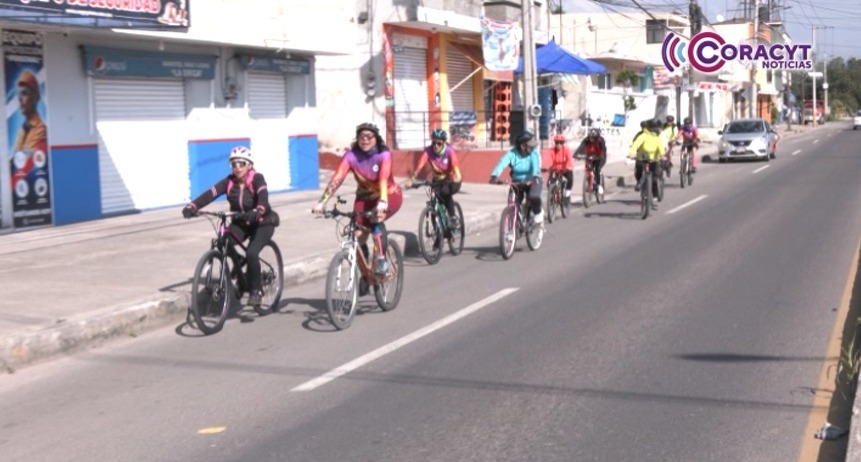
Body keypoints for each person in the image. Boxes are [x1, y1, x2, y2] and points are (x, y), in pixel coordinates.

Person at [181, 146, 280, 305]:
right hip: (241, 222)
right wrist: (192, 206)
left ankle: (256, 290)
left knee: (252, 253)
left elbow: (263, 197)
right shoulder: (228, 182)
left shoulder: (257, 179)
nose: (237, 167)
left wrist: (258, 210)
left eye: (241, 163)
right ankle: (239, 262)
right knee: (223, 242)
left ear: (249, 165)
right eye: (234, 164)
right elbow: (210, 194)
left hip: (262, 222)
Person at [312, 122, 403, 275]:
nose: (365, 140)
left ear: (376, 138)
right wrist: (323, 202)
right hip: (364, 196)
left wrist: (383, 201)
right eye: (361, 136)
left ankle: (381, 259)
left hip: (389, 194)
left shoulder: (383, 154)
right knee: (358, 235)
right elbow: (337, 179)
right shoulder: (351, 156)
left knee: (376, 218)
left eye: (369, 136)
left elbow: (383, 177)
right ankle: (366, 272)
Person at [406, 128, 463, 229]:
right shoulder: (428, 151)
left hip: (451, 180)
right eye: (434, 143)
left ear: (444, 143)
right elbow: (419, 166)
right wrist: (411, 180)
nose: (435, 146)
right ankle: (438, 234)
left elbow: (456, 169)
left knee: (445, 193)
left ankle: (453, 217)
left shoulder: (449, 152)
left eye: (439, 143)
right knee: (433, 203)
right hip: (437, 180)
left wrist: (457, 177)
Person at [489, 129, 543, 226]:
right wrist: (494, 176)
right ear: (522, 146)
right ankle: (513, 226)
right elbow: (501, 163)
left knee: (533, 197)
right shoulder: (511, 154)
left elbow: (536, 166)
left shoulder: (533, 153)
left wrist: (534, 176)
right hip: (517, 182)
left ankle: (538, 212)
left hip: (533, 180)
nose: (532, 147)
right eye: (529, 145)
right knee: (512, 204)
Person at [629, 118, 665, 210]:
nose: (659, 130)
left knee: (655, 178)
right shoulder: (644, 135)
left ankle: (654, 197)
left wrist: (663, 155)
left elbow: (661, 149)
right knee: (639, 171)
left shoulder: (657, 138)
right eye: (657, 128)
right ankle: (639, 183)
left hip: (654, 160)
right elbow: (636, 144)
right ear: (653, 128)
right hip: (642, 158)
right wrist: (631, 153)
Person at [12, 70, 47, 155]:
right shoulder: (22, 130)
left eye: (24, 93)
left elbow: (27, 157)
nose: (20, 98)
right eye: (19, 94)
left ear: (35, 97)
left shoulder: (41, 129)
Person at [576, 128, 607, 196]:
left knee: (597, 170)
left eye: (593, 138)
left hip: (600, 157)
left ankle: (598, 185)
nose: (591, 139)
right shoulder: (586, 140)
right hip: (589, 157)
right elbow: (581, 147)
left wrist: (602, 157)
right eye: (590, 137)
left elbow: (604, 151)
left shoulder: (601, 141)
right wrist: (576, 155)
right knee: (588, 170)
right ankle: (589, 182)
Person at [546, 134, 574, 202]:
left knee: (570, 177)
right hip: (555, 169)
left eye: (561, 143)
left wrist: (567, 167)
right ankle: (553, 193)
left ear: (563, 143)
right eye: (557, 143)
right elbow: (547, 159)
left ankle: (567, 190)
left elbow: (570, 159)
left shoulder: (566, 150)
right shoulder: (551, 150)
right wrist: (546, 167)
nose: (558, 144)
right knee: (549, 182)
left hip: (564, 169)